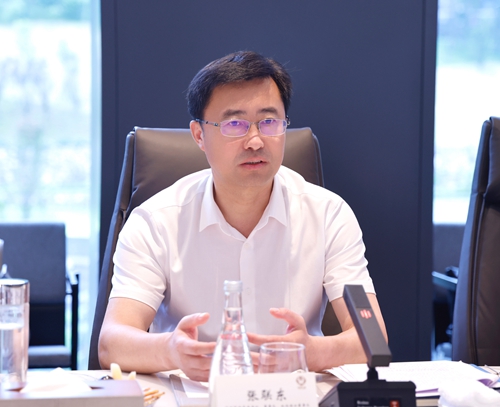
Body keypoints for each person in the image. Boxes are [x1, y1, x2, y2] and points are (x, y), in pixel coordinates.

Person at [98, 50, 387, 381]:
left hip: (293, 396)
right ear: (199, 135)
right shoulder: (155, 221)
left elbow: (372, 338)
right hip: (196, 396)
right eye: (234, 124)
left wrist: (310, 353)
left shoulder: (329, 215)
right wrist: (170, 351)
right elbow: (111, 343)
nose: (255, 141)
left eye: (269, 122)